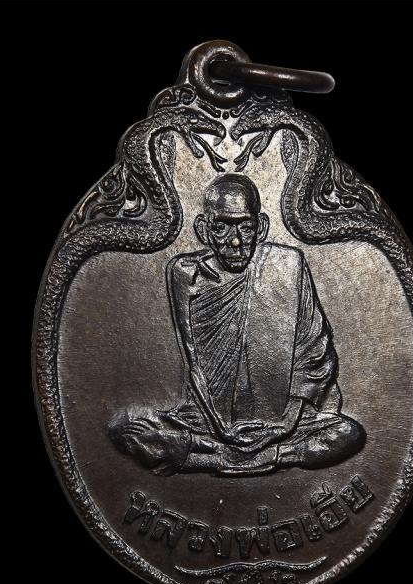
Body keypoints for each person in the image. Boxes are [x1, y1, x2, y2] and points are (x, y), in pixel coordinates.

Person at [109, 174, 365, 476]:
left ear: (262, 227)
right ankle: (228, 454)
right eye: (221, 228)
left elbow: (314, 354)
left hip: (284, 418)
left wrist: (284, 425)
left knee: (348, 434)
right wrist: (222, 430)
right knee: (124, 425)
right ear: (203, 229)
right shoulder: (186, 274)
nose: (235, 241)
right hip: (208, 417)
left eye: (245, 227)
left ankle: (238, 457)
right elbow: (194, 364)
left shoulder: (287, 266)